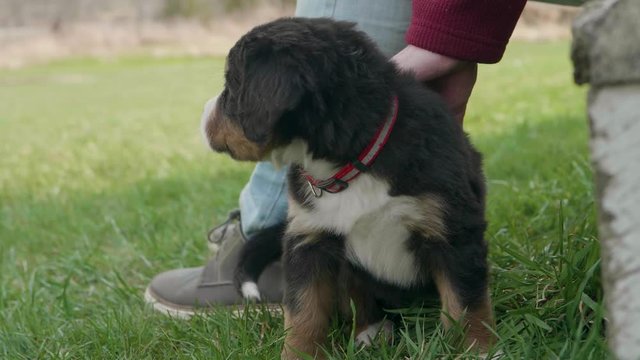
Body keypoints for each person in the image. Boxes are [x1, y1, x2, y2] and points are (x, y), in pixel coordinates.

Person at [144, 0, 527, 317]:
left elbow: (460, 240)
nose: (221, 108)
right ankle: (354, 307)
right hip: (355, 236)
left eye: (235, 92)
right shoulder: (308, 176)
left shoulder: (427, 164)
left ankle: (261, 226)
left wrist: (449, 36)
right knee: (315, 249)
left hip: (397, 171)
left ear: (274, 105)